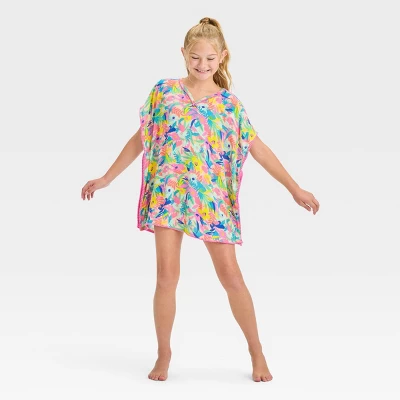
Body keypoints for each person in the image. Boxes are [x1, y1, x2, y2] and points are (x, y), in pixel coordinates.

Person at [81, 17, 320, 383]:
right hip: (168, 194)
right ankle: (164, 353)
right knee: (166, 276)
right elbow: (142, 137)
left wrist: (294, 187)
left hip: (211, 201)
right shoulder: (164, 92)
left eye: (210, 59)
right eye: (195, 58)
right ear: (183, 54)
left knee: (231, 276)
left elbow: (258, 149)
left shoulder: (229, 105)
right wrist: (106, 178)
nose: (202, 65)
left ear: (222, 57)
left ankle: (257, 351)